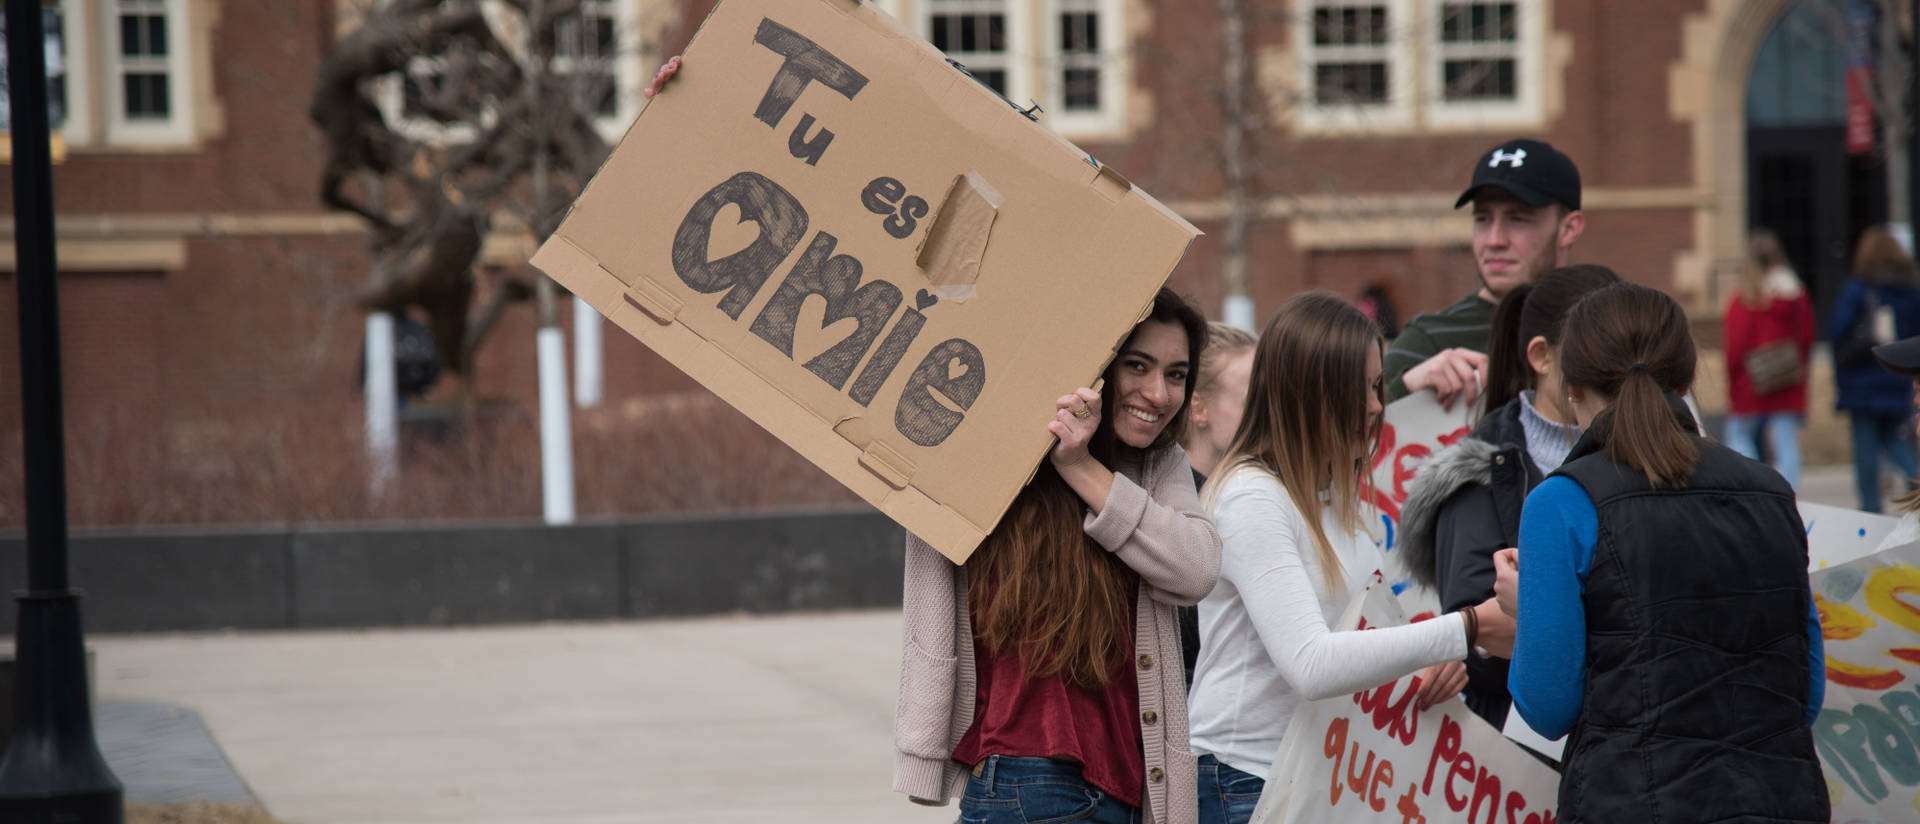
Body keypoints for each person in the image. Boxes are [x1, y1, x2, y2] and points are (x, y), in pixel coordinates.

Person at [1492, 282, 1827, 822]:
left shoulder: (1562, 501)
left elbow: (1546, 706)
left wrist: (1526, 609)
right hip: (1780, 800)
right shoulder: (1771, 491)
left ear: (1571, 387)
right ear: (1689, 379)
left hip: (1630, 800)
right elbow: (1804, 694)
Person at [894, 287, 1222, 824]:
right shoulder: (992, 453)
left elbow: (1197, 570)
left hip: (1126, 788)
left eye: (1177, 374)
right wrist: (921, 750)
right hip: (1036, 778)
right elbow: (928, 594)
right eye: (1137, 366)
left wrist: (1082, 468)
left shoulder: (1159, 465)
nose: (1159, 393)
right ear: (1097, 363)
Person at [1186, 292, 1514, 824]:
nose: (1375, 406)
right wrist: (1467, 628)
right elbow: (1312, 665)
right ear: (1308, 395)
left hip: (1324, 778)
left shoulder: (1337, 498)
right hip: (1246, 783)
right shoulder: (1251, 496)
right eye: (1357, 388)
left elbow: (1355, 640)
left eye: (1376, 384)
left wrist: (1429, 667)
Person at [1396, 264, 1619, 731]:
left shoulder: (1654, 453)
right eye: (1603, 354)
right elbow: (1478, 640)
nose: (1622, 375)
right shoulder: (1479, 474)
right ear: (1542, 356)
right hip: (1521, 757)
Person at [1385, 139, 1586, 409]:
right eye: (1482, 219)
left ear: (1569, 228)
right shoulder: (1429, 340)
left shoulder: (1606, 329)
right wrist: (1402, 392)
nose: (1494, 240)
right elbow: (1348, 441)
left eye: (1518, 219)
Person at [1177, 322, 1259, 690]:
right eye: (1252, 400)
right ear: (1199, 408)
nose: (1268, 415)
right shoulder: (1176, 508)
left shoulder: (1259, 493)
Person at [1831, 224, 1920, 513]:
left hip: (1863, 383)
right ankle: (1915, 486)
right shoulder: (1910, 287)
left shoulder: (1858, 287)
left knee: (1866, 453)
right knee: (1897, 443)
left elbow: (1838, 332)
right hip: (1898, 377)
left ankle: (1870, 512)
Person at [1723, 230, 1813, 489]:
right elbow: (1806, 337)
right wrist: (1798, 371)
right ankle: (1789, 494)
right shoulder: (1796, 294)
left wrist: (1732, 380)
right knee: (1786, 442)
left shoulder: (1745, 298)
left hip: (1750, 379)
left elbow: (1736, 345)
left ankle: (1750, 489)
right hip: (1787, 378)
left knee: (1739, 436)